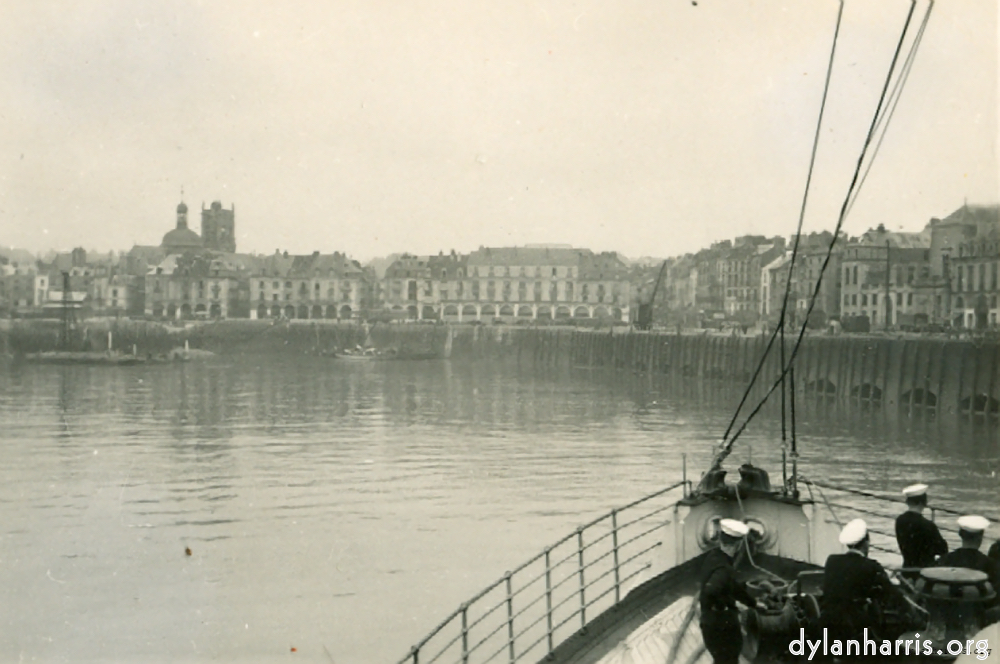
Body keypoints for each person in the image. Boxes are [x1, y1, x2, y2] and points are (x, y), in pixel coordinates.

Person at [823, 518, 906, 643]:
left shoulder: (832, 560)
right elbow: (891, 593)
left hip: (828, 620)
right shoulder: (871, 566)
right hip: (855, 626)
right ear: (866, 542)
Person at [699, 518, 755, 664]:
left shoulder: (714, 556)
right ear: (738, 544)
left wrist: (752, 603)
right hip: (721, 625)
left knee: (721, 660)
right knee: (729, 659)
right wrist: (723, 607)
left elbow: (732, 586)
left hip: (708, 621)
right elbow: (711, 590)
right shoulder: (725, 569)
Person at [936, 516, 1000, 608]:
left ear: (960, 534)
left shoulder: (944, 560)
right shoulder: (991, 566)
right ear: (981, 536)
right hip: (980, 615)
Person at [895, 484, 948, 576]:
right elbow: (942, 550)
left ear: (907, 502)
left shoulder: (900, 520)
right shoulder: (928, 525)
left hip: (907, 570)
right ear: (924, 502)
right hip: (924, 573)